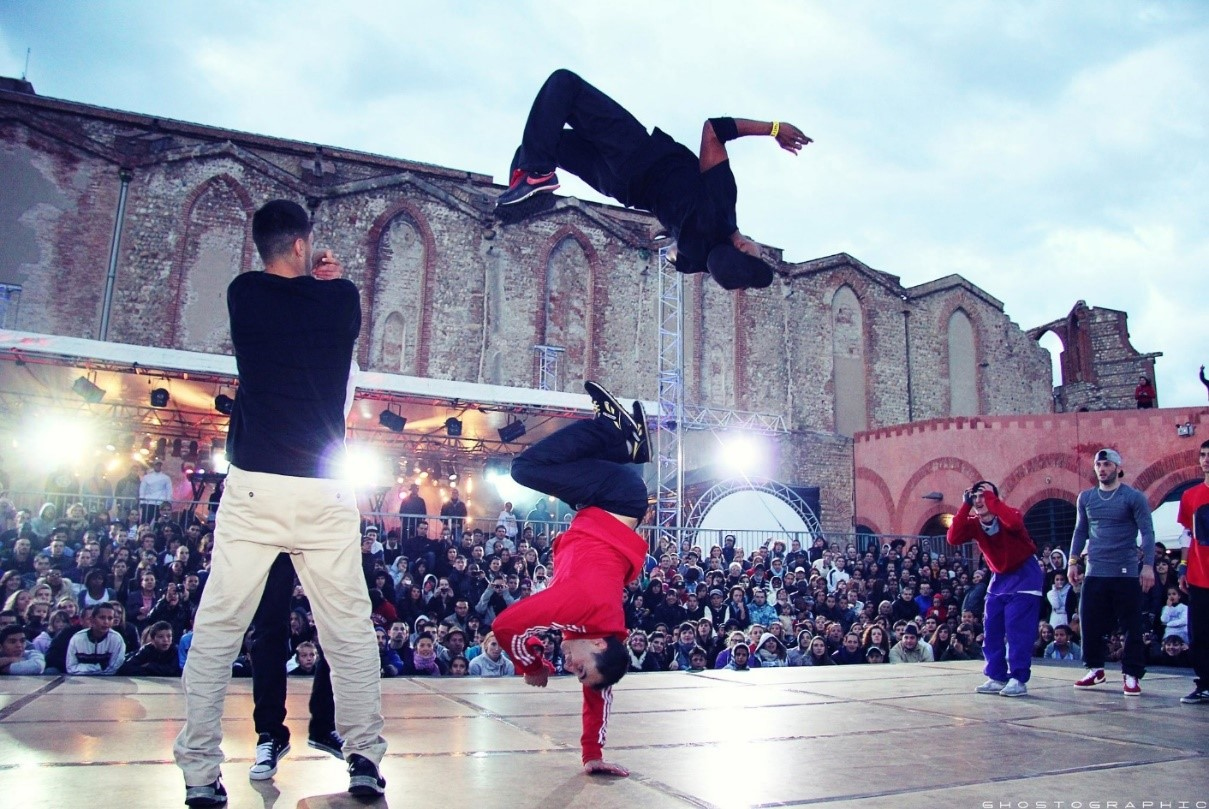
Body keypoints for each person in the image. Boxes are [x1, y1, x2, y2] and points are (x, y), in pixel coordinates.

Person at [173, 199, 386, 806]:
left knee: (218, 627)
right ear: (302, 245)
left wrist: (310, 278)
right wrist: (329, 279)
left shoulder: (243, 294)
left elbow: (279, 296)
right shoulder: (341, 299)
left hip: (255, 486)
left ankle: (199, 773)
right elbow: (332, 314)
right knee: (347, 629)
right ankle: (364, 757)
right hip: (322, 486)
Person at [496, 69, 811, 291]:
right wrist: (674, 230)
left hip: (633, 154)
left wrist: (774, 129)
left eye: (758, 252)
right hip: (619, 187)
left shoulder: (721, 208)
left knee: (564, 84)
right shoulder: (695, 258)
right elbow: (673, 253)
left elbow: (714, 130)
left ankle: (535, 178)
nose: (759, 248)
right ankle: (522, 192)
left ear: (742, 247)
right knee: (534, 146)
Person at [492, 380, 649, 777]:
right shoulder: (583, 606)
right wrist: (531, 664)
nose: (570, 669)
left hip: (601, 508)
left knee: (561, 470)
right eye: (580, 670)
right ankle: (610, 431)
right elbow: (505, 625)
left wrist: (592, 754)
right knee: (525, 469)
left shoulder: (598, 635)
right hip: (615, 498)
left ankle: (627, 450)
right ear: (598, 644)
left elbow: (598, 694)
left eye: (577, 674)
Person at [1068, 449, 1155, 697]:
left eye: (1107, 464)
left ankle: (1132, 674)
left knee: (1131, 624)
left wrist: (1148, 565)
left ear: (1117, 467)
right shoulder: (1086, 497)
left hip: (1124, 570)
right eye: (1098, 465)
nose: (1102, 469)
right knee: (1089, 620)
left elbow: (1147, 532)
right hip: (1095, 569)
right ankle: (1095, 669)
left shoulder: (1133, 497)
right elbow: (1080, 531)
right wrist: (1073, 561)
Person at [946, 480, 1043, 698]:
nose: (978, 501)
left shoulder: (1010, 515)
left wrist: (992, 500)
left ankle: (1018, 679)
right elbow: (952, 537)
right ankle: (996, 676)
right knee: (991, 628)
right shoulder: (974, 524)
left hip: (1024, 576)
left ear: (993, 499)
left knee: (1017, 629)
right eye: (975, 497)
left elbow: (1014, 524)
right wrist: (965, 506)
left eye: (983, 496)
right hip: (999, 578)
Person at [1175, 438, 1209, 704]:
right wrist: (1183, 567)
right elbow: (1187, 534)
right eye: (1203, 455)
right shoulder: (1190, 496)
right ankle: (1205, 683)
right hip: (1199, 575)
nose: (1207, 460)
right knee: (1200, 632)